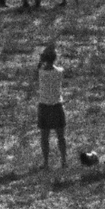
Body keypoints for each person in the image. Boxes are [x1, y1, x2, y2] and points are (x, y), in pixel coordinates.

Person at [32, 45, 68, 173]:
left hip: (44, 107)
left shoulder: (41, 73)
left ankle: (46, 162)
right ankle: (63, 160)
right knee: (61, 136)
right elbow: (60, 69)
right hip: (57, 106)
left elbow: (37, 71)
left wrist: (40, 61)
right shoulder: (60, 71)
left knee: (44, 137)